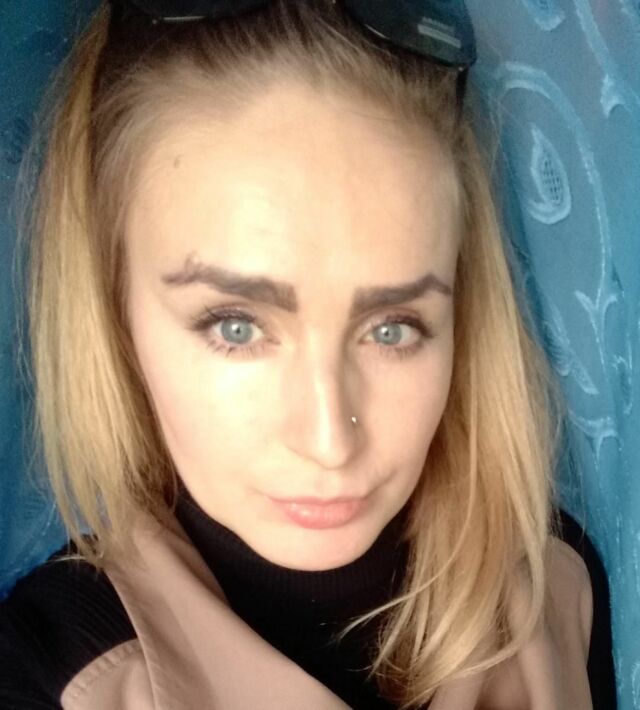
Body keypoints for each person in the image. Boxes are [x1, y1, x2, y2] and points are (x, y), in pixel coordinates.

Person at [0, 0, 616, 708]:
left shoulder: (556, 587)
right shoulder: (44, 673)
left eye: (392, 329)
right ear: (118, 316)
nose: (330, 442)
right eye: (236, 327)